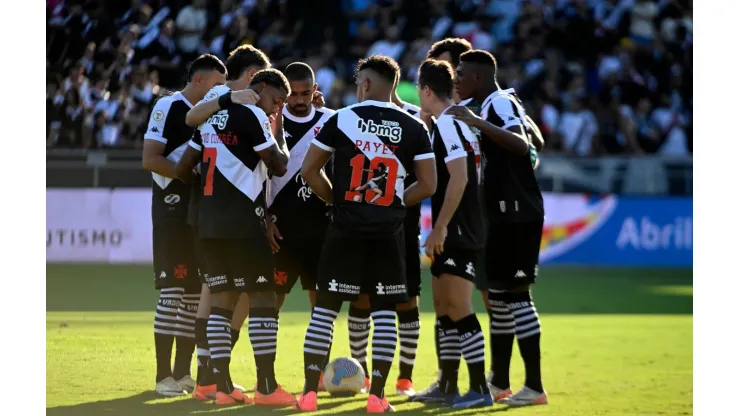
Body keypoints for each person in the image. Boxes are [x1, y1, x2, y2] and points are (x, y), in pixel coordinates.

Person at [294, 55, 437, 413]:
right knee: (385, 313)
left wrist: (337, 201)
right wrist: (392, 202)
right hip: (389, 232)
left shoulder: (342, 119)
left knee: (324, 312)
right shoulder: (413, 125)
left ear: (366, 84)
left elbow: (310, 171)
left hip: (343, 229)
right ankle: (378, 397)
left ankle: (310, 394)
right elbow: (429, 183)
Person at [174, 68, 295, 406]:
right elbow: (279, 165)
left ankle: (222, 388)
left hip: (208, 225)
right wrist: (279, 130)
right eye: (277, 99)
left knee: (222, 303)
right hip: (243, 224)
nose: (276, 108)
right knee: (263, 299)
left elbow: (185, 168)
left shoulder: (212, 115)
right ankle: (267, 388)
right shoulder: (253, 113)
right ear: (262, 86)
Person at [448, 49, 548, 407]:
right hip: (502, 213)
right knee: (502, 297)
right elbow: (536, 140)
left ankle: (534, 386)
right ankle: (500, 382)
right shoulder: (500, 102)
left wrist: (477, 123)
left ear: (477, 76)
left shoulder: (497, 103)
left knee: (516, 295)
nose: (456, 79)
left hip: (517, 212)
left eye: (460, 73)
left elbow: (522, 144)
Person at [182, 44, 271, 401]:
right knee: (225, 294)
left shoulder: (222, 105)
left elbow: (193, 139)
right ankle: (210, 375)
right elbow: (190, 121)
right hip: (228, 212)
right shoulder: (225, 99)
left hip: (209, 211)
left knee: (219, 293)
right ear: (252, 77)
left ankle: (210, 377)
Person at [142, 54, 227, 397]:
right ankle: (163, 375)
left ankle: (182, 373)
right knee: (173, 293)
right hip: (172, 210)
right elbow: (150, 159)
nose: (222, 92)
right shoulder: (168, 106)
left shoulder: (216, 114)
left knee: (193, 295)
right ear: (200, 81)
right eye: (218, 84)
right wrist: (189, 175)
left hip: (199, 211)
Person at [416, 58, 491, 409]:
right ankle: (447, 384)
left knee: (459, 306)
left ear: (426, 90)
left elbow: (459, 177)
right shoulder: (450, 121)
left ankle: (479, 388)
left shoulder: (449, 124)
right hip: (461, 223)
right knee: (444, 306)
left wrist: (441, 225)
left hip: (459, 225)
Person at [264, 62, 335, 389]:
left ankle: (318, 378)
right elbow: (259, 176)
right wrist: (265, 217)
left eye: (306, 93)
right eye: (293, 94)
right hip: (281, 235)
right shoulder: (268, 123)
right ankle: (266, 379)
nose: (300, 100)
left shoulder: (331, 120)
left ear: (315, 90)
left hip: (321, 235)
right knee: (269, 307)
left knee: (321, 312)